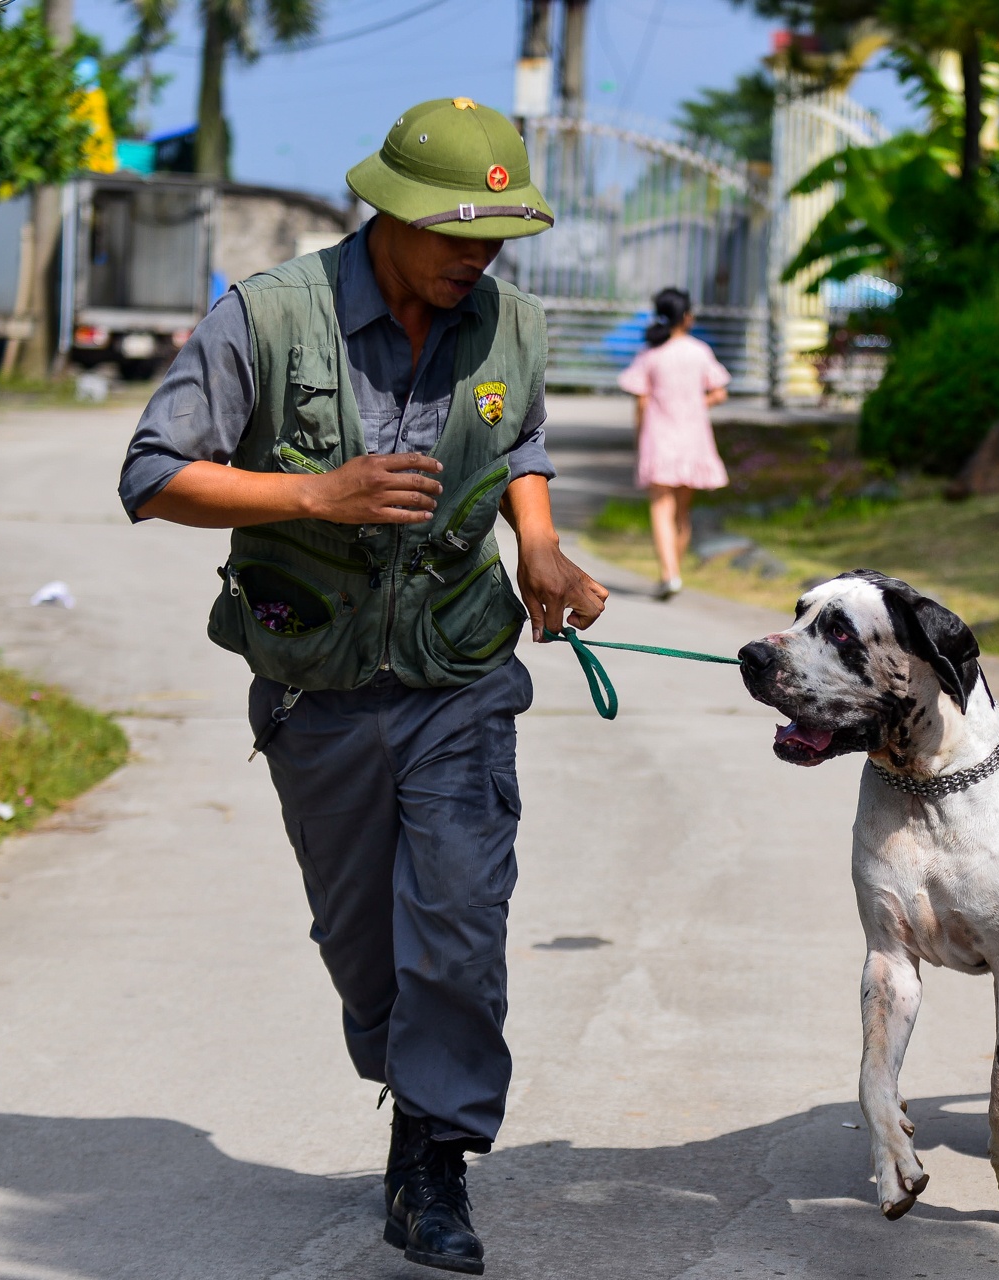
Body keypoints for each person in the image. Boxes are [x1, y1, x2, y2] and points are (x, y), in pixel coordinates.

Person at [117, 97, 608, 1277]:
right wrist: (313, 497)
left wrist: (536, 541)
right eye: (455, 233)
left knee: (458, 916)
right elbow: (151, 475)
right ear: (384, 210)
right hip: (317, 684)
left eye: (496, 236)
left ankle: (435, 1156)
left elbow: (522, 436)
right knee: (366, 946)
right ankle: (412, 1088)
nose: (476, 258)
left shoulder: (512, 326)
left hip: (458, 671)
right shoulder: (267, 318)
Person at [616, 287, 732, 599]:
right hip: (693, 437)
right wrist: (696, 404)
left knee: (660, 507)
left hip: (660, 437)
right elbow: (720, 391)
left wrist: (639, 436)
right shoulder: (699, 351)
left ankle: (669, 574)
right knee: (682, 511)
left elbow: (640, 401)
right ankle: (674, 573)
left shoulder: (650, 354)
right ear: (688, 317)